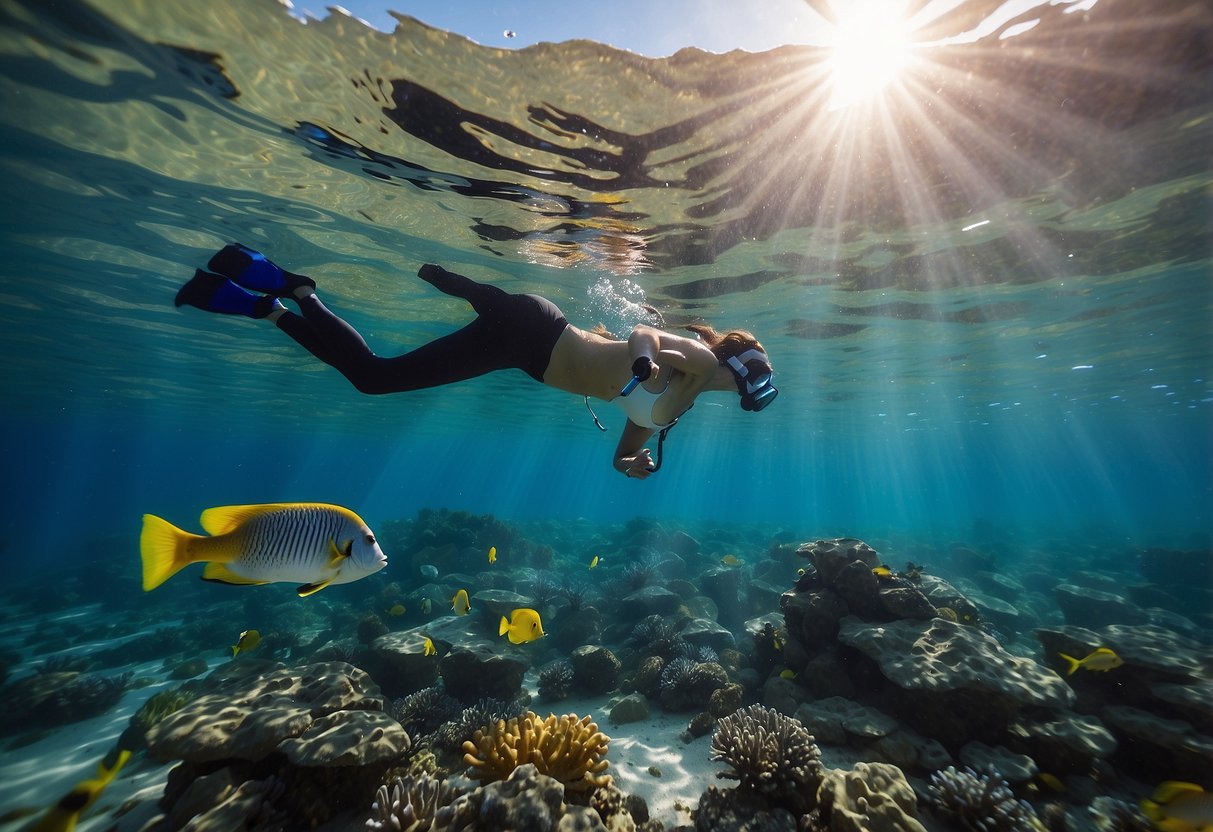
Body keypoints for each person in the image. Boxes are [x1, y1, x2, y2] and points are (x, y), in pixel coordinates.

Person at [176, 243, 778, 478]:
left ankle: (273, 303)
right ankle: (292, 295)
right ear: (741, 365)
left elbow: (624, 449)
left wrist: (632, 465)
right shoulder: (697, 361)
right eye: (756, 371)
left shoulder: (677, 409)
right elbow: (647, 332)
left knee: (372, 380)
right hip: (532, 332)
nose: (749, 384)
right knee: (375, 378)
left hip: (525, 347)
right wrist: (643, 363)